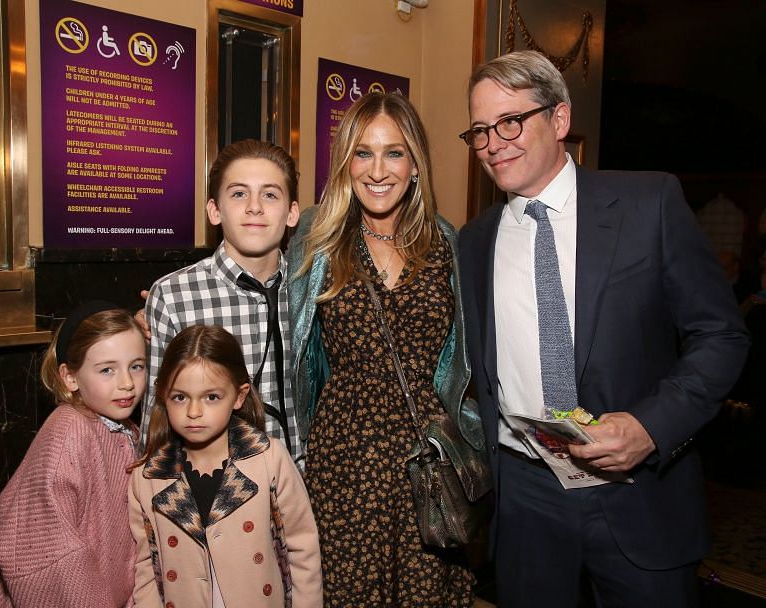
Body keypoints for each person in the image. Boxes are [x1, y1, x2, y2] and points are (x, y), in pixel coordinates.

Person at [457, 50, 750, 607]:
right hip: (526, 496)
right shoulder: (474, 242)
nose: (493, 143)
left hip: (641, 492)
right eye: (479, 131)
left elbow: (721, 335)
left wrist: (651, 426)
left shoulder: (649, 204)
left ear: (559, 119)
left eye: (510, 122)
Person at [288, 91, 485, 606]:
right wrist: (164, 306)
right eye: (363, 152)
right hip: (343, 460)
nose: (378, 170)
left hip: (429, 458)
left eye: (394, 152)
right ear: (346, 164)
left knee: (427, 593)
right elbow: (266, 301)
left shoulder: (447, 243)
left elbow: (476, 350)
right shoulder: (319, 237)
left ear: (416, 163)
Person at [128, 324, 322, 607]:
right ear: (163, 395)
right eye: (180, 397)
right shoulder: (148, 478)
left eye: (211, 397)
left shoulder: (268, 459)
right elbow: (145, 567)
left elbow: (303, 548)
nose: (194, 412)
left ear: (239, 396)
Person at [141, 139, 302, 466]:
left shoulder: (312, 291)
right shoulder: (174, 296)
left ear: (292, 213)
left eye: (270, 194)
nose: (254, 206)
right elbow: (155, 420)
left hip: (306, 488)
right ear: (215, 210)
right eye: (239, 193)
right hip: (215, 493)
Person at [0, 302, 146, 607]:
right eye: (107, 369)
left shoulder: (125, 429)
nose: (127, 383)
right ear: (70, 377)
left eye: (136, 365)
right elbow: (43, 551)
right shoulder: (69, 433)